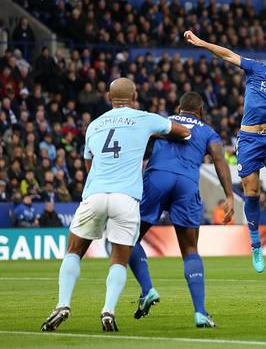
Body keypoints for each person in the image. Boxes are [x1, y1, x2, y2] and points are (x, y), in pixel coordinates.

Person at [41, 77, 190, 333]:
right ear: (134, 97)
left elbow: (89, 163)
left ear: (109, 98)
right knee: (119, 259)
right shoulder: (144, 117)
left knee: (74, 251)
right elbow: (183, 132)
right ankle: (108, 310)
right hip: (126, 198)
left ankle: (62, 304)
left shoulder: (94, 125)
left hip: (95, 193)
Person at [184, 30, 266, 273]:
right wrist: (202, 42)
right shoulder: (256, 69)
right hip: (249, 139)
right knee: (252, 191)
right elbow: (227, 54)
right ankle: (255, 244)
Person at [128, 92, 234, 328]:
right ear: (201, 111)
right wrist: (228, 195)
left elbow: (134, 134)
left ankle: (147, 290)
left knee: (128, 238)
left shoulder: (163, 122)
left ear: (178, 108)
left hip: (157, 179)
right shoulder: (207, 131)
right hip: (186, 183)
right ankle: (200, 312)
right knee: (189, 249)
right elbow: (219, 159)